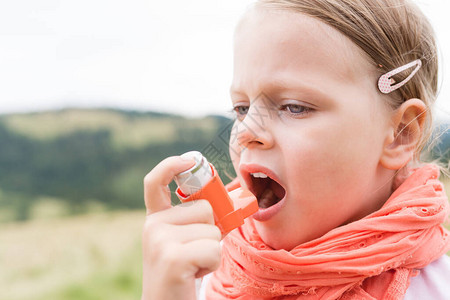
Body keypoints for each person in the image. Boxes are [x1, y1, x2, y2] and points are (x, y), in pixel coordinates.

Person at [141, 0, 450, 299]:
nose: (246, 131)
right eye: (241, 108)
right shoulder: (203, 280)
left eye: (294, 107)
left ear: (400, 134)